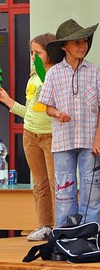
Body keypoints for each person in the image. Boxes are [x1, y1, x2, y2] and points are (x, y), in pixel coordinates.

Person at [39, 19, 100, 227]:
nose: (83, 46)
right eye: (77, 42)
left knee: (93, 191)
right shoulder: (53, 74)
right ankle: (66, 235)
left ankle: (91, 235)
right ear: (64, 46)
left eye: (85, 42)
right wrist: (57, 113)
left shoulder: (95, 72)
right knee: (64, 193)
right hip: (63, 141)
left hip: (90, 142)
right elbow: (47, 107)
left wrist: (98, 139)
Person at [0, 33, 56, 240]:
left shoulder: (57, 74)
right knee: (39, 183)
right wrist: (8, 101)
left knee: (55, 183)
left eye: (38, 52)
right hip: (30, 135)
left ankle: (60, 226)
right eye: (32, 52)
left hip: (51, 135)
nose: (33, 56)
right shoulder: (33, 77)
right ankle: (44, 225)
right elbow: (30, 112)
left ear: (50, 52)